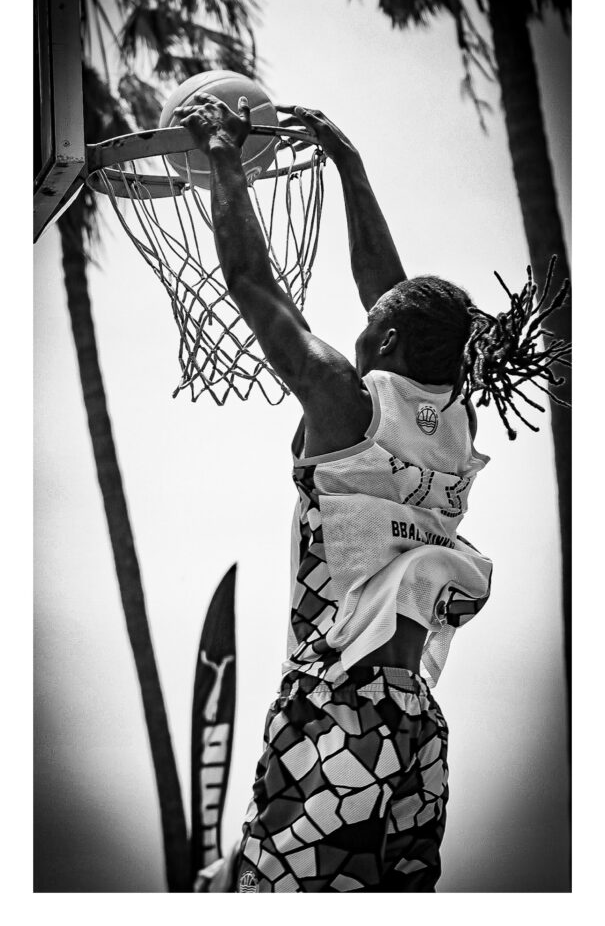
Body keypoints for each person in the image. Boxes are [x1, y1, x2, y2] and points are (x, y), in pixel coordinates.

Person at [177, 93, 570, 893]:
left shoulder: (341, 401)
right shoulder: (449, 419)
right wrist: (347, 162)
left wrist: (222, 153)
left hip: (337, 711)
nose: (356, 334)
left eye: (370, 330)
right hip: (415, 722)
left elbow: (254, 284)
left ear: (384, 342)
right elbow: (389, 291)